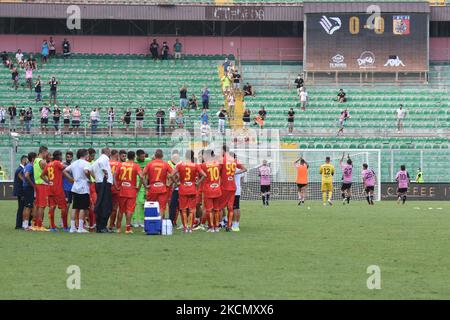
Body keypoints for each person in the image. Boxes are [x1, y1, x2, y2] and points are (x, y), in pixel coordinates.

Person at [173, 150, 206, 233]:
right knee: (192, 209)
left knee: (183, 209)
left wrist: (177, 182)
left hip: (183, 189)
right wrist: (198, 182)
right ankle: (190, 228)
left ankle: (185, 228)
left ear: (185, 156)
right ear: (192, 156)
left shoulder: (180, 165)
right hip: (192, 189)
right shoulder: (195, 165)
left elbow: (171, 174)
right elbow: (204, 175)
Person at [63, 149, 91, 233]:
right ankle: (80, 227)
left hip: (75, 187)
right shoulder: (86, 163)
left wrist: (71, 179)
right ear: (85, 155)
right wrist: (89, 178)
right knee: (82, 207)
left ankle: (72, 227)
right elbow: (86, 171)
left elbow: (64, 171)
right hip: (83, 187)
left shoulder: (74, 163)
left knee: (75, 207)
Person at [115, 151, 142, 234]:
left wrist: (116, 185)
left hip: (122, 189)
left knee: (121, 210)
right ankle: (127, 229)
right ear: (134, 157)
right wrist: (139, 186)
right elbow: (141, 176)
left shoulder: (121, 164)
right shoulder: (136, 166)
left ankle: (118, 228)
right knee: (129, 210)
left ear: (127, 157)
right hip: (131, 191)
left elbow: (114, 175)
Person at [41, 150, 68, 232]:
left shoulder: (48, 164)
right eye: (61, 155)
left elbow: (42, 175)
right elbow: (64, 167)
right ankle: (65, 227)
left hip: (50, 188)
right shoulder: (57, 163)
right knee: (64, 207)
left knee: (52, 207)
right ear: (59, 156)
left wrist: (48, 181)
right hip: (58, 189)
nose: (62, 157)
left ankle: (52, 227)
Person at [219, 150, 246, 231]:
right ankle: (235, 224)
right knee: (236, 207)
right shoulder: (237, 165)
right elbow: (242, 178)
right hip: (237, 188)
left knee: (224, 207)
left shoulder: (233, 166)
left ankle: (224, 223)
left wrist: (234, 174)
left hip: (228, 187)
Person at [143, 149, 174, 218]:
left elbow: (142, 175)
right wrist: (170, 183)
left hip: (152, 188)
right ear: (162, 156)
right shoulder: (165, 164)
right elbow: (175, 175)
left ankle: (151, 222)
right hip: (162, 188)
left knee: (150, 206)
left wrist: (145, 185)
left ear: (155, 155)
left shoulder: (150, 164)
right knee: (162, 207)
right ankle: (160, 224)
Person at [90, 148, 113, 233]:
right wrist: (105, 172)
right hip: (104, 183)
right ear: (107, 152)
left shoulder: (97, 160)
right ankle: (102, 226)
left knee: (100, 204)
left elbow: (90, 170)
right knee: (105, 205)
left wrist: (96, 177)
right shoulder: (104, 158)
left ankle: (100, 226)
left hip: (99, 183)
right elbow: (101, 163)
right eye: (109, 152)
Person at [200, 150, 222, 232]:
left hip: (208, 189)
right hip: (217, 188)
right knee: (216, 209)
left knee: (209, 209)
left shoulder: (203, 165)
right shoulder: (218, 164)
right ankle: (216, 227)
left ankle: (211, 227)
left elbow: (199, 174)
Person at [132, 149, 151, 228]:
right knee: (135, 204)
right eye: (142, 157)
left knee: (143, 203)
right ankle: (135, 221)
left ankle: (142, 221)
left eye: (144, 156)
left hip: (143, 185)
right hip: (134, 185)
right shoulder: (133, 162)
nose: (143, 158)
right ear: (137, 156)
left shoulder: (148, 161)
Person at [33, 146, 50, 231]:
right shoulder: (42, 162)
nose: (47, 154)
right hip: (42, 185)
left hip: (37, 184)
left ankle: (35, 224)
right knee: (42, 206)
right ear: (43, 152)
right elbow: (48, 173)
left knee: (37, 205)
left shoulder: (36, 160)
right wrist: (49, 182)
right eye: (46, 152)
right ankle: (40, 225)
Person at [22, 152, 36, 231]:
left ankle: (24, 224)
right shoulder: (30, 166)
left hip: (25, 187)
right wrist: (32, 184)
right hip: (28, 188)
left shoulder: (27, 165)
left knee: (26, 207)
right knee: (28, 207)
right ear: (33, 158)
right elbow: (26, 175)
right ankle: (26, 226)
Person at [14, 155, 28, 229]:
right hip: (21, 192)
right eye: (26, 160)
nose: (27, 161)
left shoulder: (20, 169)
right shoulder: (20, 169)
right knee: (21, 208)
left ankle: (20, 224)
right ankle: (18, 225)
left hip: (20, 192)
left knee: (21, 208)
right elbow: (22, 182)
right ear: (23, 160)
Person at [107, 149, 121, 231]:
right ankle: (111, 225)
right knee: (114, 207)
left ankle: (104, 223)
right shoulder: (119, 164)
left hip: (107, 187)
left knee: (106, 206)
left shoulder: (107, 163)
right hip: (116, 187)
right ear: (116, 155)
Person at [231, 167, 244, 232]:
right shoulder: (240, 168)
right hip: (238, 189)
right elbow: (242, 179)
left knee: (234, 208)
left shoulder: (234, 168)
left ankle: (235, 225)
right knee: (237, 207)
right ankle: (236, 223)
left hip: (234, 190)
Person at [62, 151, 74, 217]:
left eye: (69, 157)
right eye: (67, 157)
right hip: (65, 188)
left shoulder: (73, 165)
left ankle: (64, 222)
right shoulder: (62, 165)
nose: (68, 158)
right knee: (66, 205)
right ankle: (62, 222)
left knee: (69, 205)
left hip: (71, 188)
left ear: (72, 158)